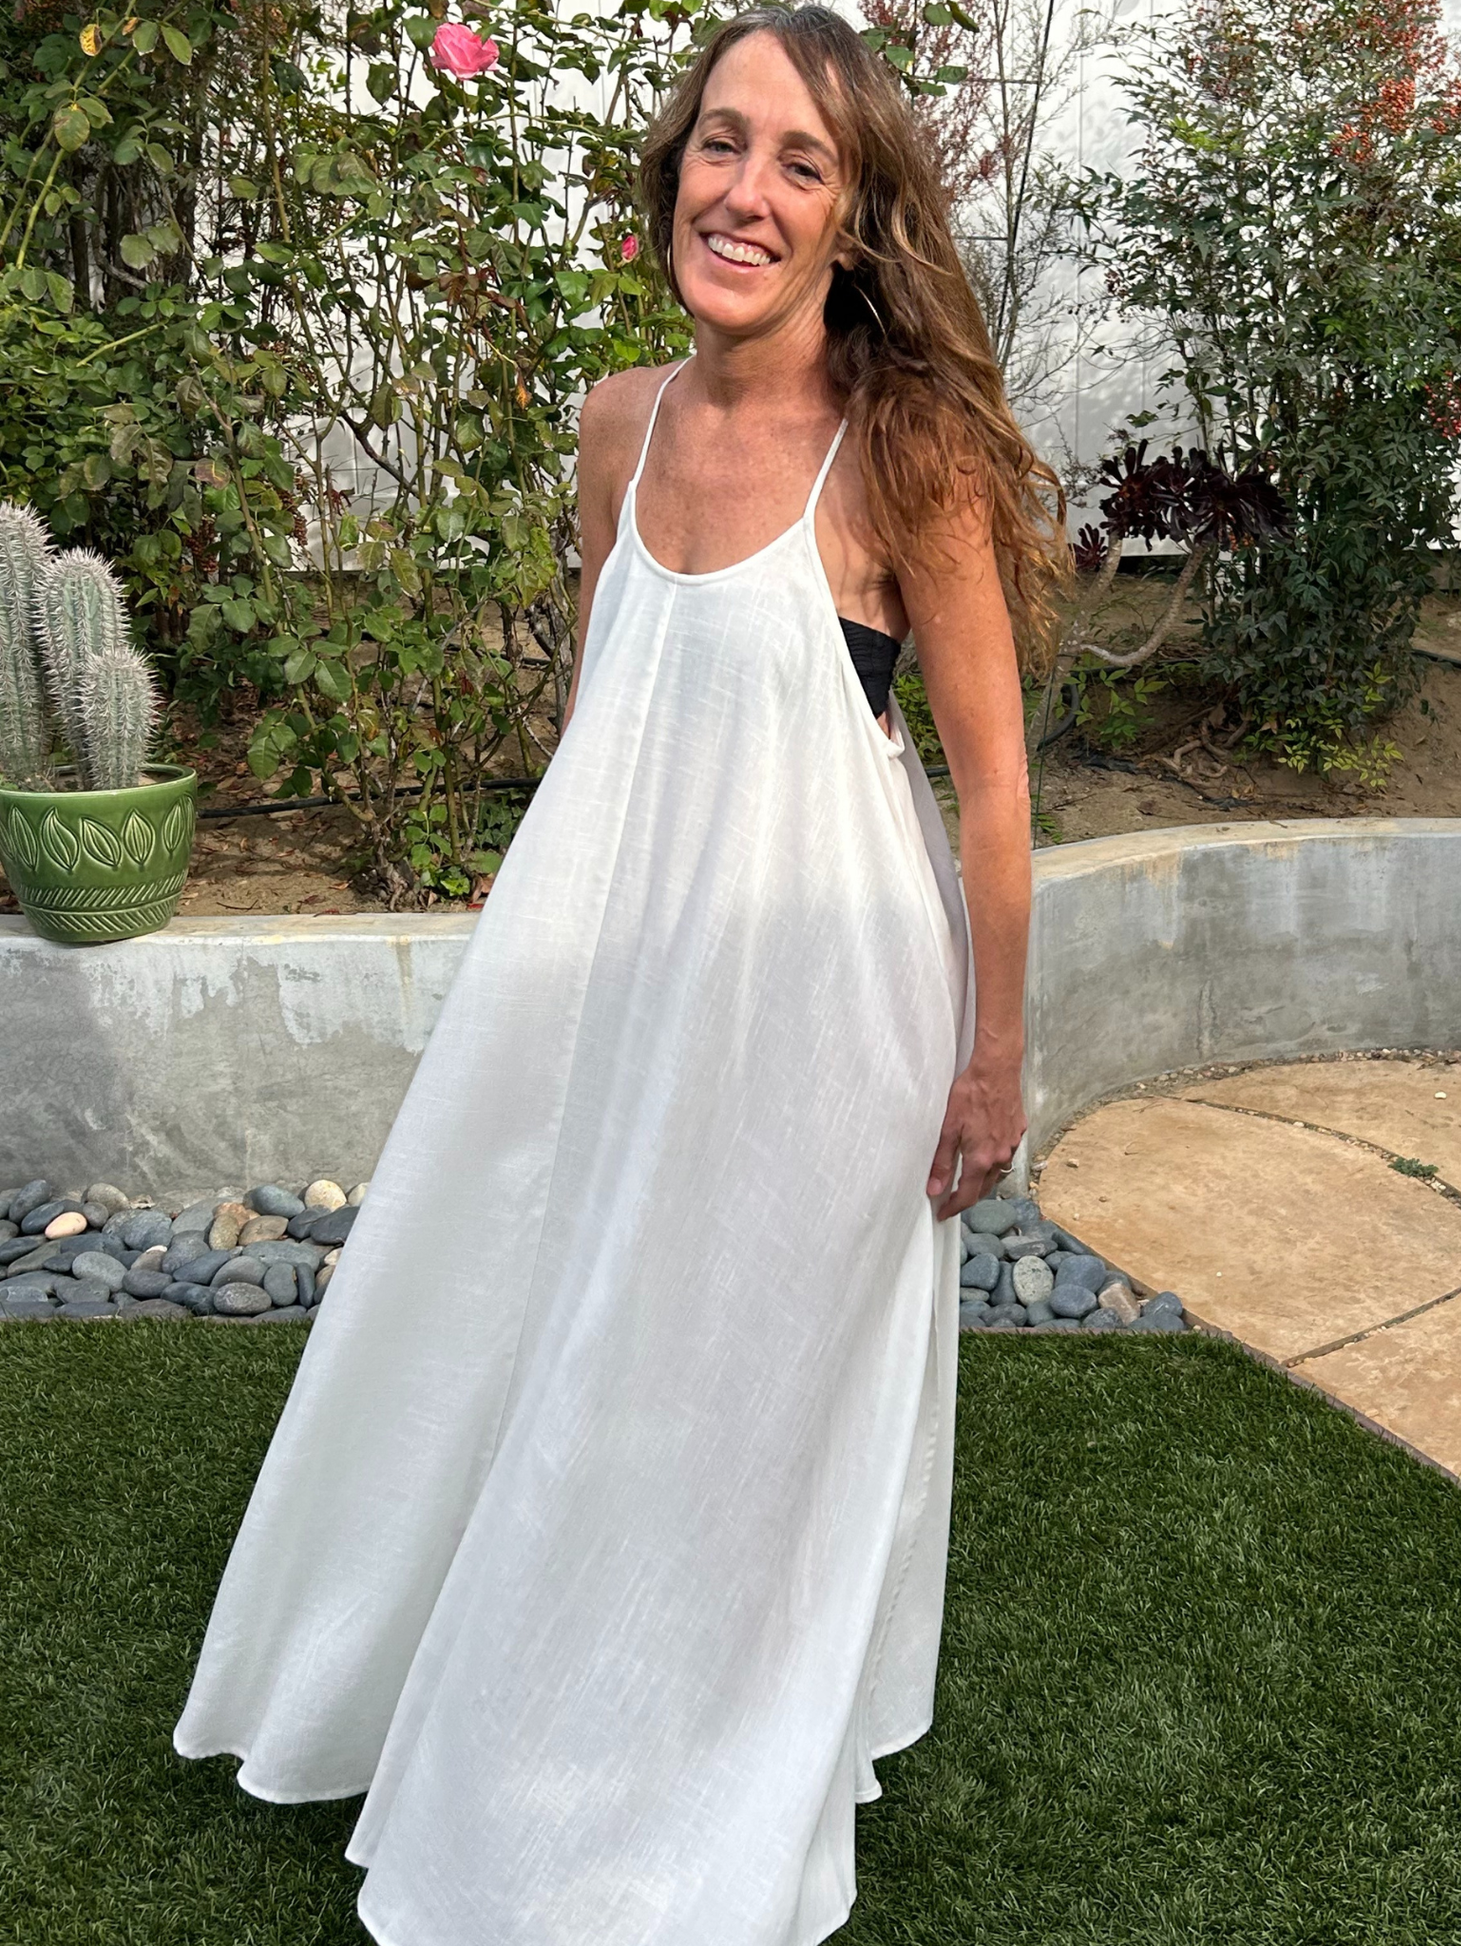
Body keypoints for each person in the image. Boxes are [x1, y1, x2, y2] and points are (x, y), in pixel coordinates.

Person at [171, 8, 1067, 1943]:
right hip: (622, 966)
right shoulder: (614, 423)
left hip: (831, 1002)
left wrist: (993, 1059)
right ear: (672, 167)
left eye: (800, 164)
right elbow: (608, 705)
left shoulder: (903, 453)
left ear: (855, 219)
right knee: (539, 1315)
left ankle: (688, 1761)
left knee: (730, 1386)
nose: (744, 192)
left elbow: (993, 791)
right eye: (720, 144)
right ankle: (495, 1698)